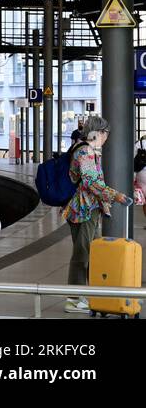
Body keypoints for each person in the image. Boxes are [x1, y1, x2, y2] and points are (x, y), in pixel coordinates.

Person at [62, 114, 133, 314]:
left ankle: (85, 294)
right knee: (82, 254)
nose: (107, 137)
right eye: (106, 133)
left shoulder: (90, 151)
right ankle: (73, 299)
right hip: (82, 210)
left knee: (93, 252)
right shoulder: (85, 152)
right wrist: (116, 196)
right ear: (99, 132)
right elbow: (91, 183)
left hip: (89, 208)